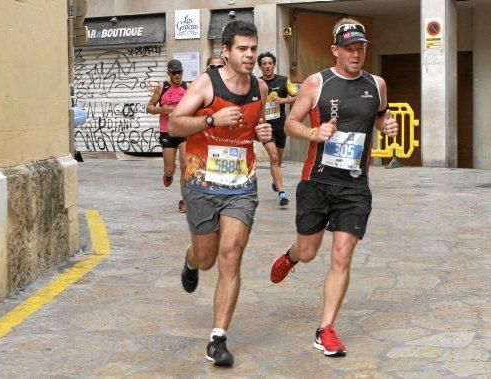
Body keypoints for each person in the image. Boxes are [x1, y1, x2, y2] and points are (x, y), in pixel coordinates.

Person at [269, 18, 399, 357]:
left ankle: (325, 328)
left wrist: (387, 126)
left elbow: (381, 115)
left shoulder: (377, 84)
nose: (356, 54)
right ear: (335, 50)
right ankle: (291, 256)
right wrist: (314, 133)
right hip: (318, 182)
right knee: (309, 252)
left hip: (355, 186)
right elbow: (292, 122)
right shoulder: (317, 83)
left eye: (361, 48)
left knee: (342, 256)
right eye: (349, 48)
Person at [169, 20, 272, 366]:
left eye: (253, 49)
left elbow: (255, 128)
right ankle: (190, 259)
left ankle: (217, 339)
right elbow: (174, 124)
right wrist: (211, 121)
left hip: (241, 185)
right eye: (242, 49)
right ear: (225, 52)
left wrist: (262, 133)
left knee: (231, 253)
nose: (249, 55)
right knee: (207, 257)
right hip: (201, 182)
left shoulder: (260, 87)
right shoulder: (205, 84)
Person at [147, 59, 188, 213]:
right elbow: (149, 107)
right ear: (169, 73)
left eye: (180, 72)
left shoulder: (187, 87)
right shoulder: (161, 87)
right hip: (167, 132)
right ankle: (168, 173)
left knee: (186, 165)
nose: (177, 75)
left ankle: (184, 200)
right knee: (170, 169)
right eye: (174, 73)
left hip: (184, 130)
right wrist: (160, 110)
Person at [257, 52, 298, 206]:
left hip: (280, 126)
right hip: (265, 127)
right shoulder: (256, 83)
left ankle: (276, 179)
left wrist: (284, 100)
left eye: (270, 63)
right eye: (264, 64)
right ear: (260, 67)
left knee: (278, 160)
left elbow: (298, 96)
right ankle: (282, 193)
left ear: (274, 65)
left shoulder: (283, 81)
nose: (267, 66)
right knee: (273, 157)